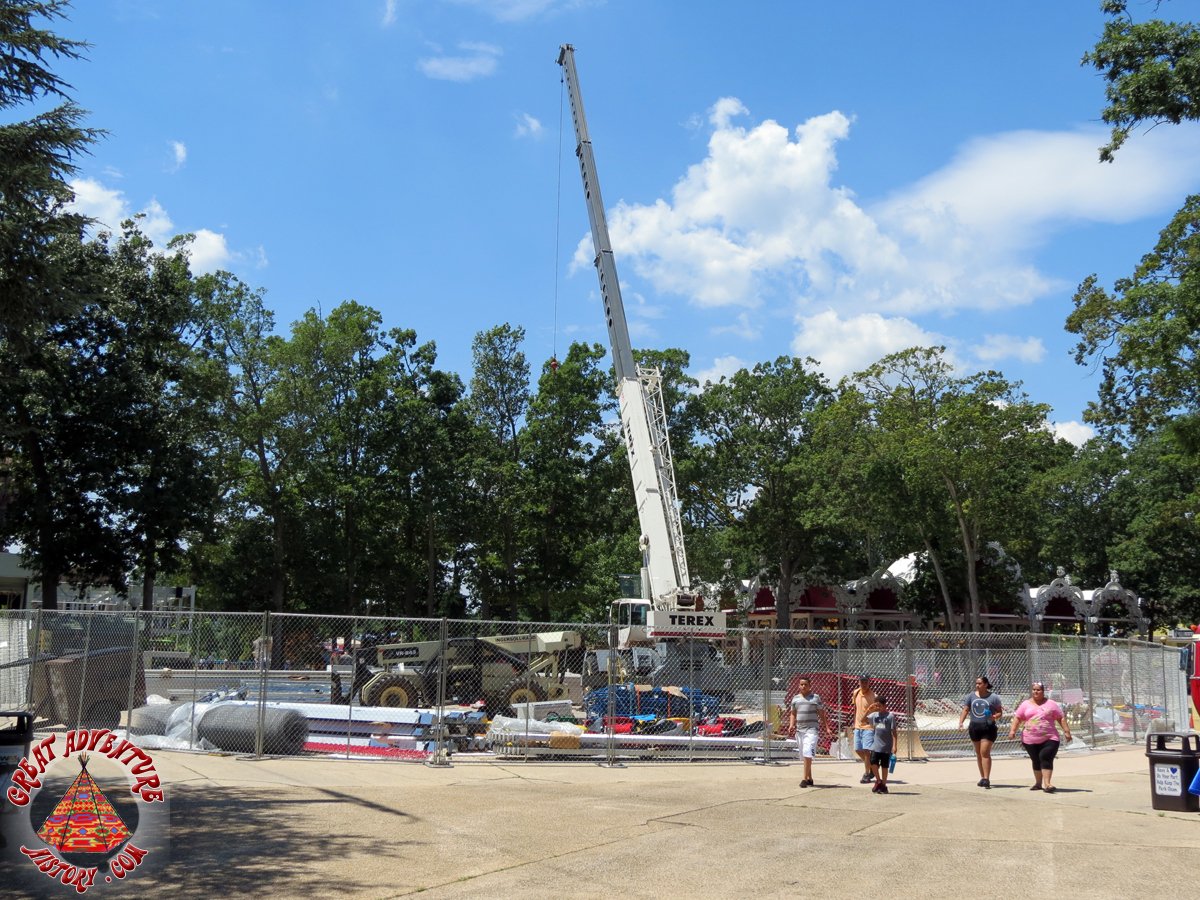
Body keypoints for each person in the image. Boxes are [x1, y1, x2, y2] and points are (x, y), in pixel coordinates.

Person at [1008, 681, 1072, 793]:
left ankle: (1047, 784)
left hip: (1050, 737)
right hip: (1029, 739)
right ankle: (1038, 783)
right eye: (1034, 690)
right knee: (1036, 760)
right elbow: (1018, 718)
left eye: (1038, 690)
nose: (1036, 692)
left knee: (1045, 756)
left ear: (1043, 691)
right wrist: (1012, 731)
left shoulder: (1051, 704)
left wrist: (1066, 732)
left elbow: (1060, 717)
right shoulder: (1025, 704)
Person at [958, 675, 1002, 788]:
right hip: (974, 727)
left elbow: (999, 712)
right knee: (978, 754)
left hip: (988, 728)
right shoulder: (971, 696)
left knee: (985, 753)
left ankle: (987, 778)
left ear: (986, 684)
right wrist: (961, 723)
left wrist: (994, 717)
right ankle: (982, 777)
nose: (977, 685)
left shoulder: (993, 697)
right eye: (976, 683)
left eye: (980, 683)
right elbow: (966, 710)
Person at [789, 676, 830, 788]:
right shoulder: (795, 698)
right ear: (799, 686)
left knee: (808, 751)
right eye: (801, 684)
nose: (803, 686)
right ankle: (810, 778)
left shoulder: (815, 698)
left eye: (805, 684)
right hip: (800, 730)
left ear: (810, 686)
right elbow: (793, 713)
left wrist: (826, 727)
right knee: (805, 755)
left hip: (812, 729)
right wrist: (791, 725)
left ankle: (804, 779)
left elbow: (821, 713)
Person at [865, 695, 897, 794]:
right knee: (873, 762)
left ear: (884, 705)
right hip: (876, 745)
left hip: (886, 746)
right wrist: (869, 710)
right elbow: (863, 720)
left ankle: (883, 784)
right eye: (876, 705)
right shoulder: (874, 715)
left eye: (879, 706)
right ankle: (878, 780)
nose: (878, 708)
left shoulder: (890, 716)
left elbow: (894, 732)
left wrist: (894, 746)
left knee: (884, 766)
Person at [850, 675, 878, 784]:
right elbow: (855, 709)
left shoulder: (873, 696)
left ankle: (866, 774)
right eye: (862, 682)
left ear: (869, 682)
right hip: (858, 726)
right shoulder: (856, 693)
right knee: (858, 749)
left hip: (868, 727)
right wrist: (854, 722)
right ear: (859, 682)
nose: (864, 684)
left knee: (867, 751)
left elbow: (876, 712)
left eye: (866, 682)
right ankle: (871, 766)